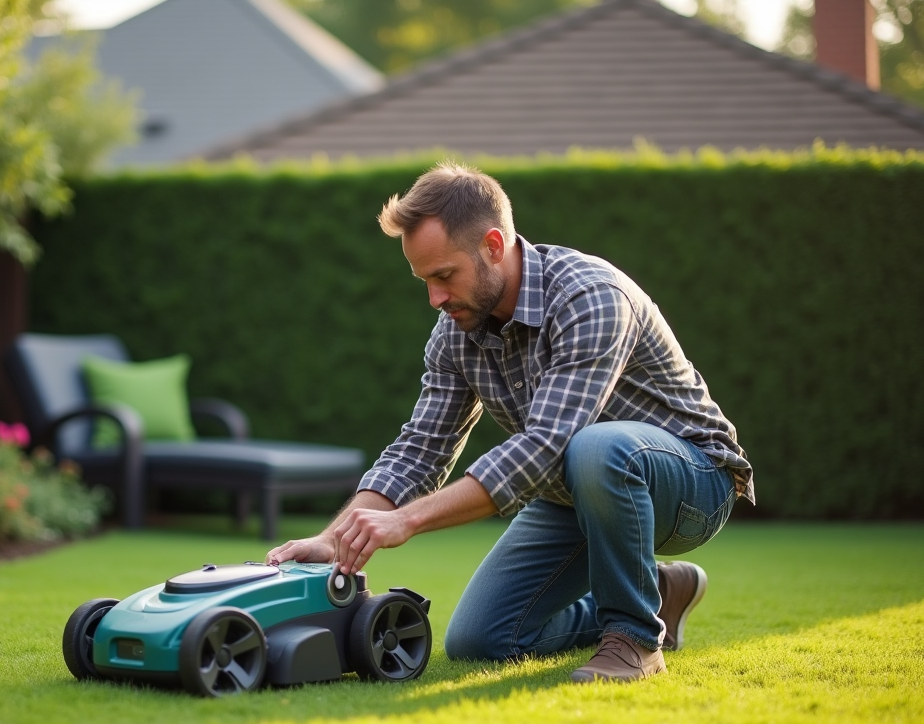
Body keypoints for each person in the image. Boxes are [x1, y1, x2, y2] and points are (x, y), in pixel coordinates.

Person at [266, 162, 754, 683]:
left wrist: (406, 521)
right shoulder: (455, 333)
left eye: (444, 276)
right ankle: (656, 591)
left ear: (494, 245)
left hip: (694, 482)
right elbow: (420, 449)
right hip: (575, 489)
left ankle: (634, 638)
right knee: (481, 639)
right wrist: (335, 538)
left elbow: (546, 445)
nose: (434, 298)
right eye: (424, 280)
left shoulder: (590, 297)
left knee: (597, 447)